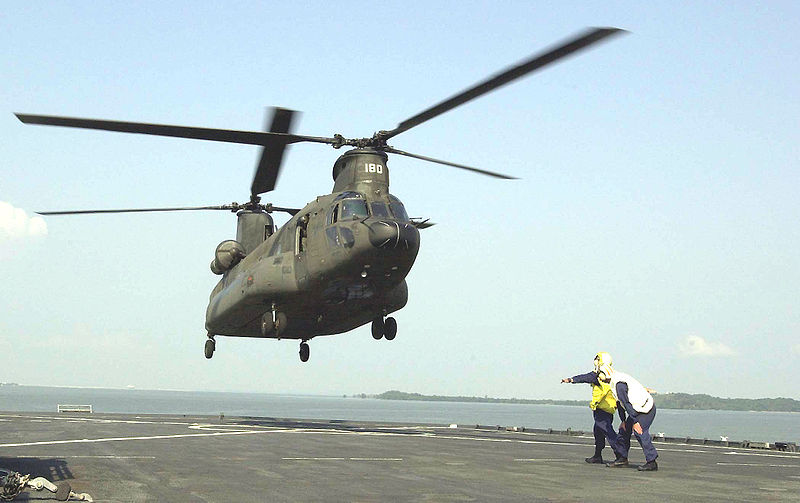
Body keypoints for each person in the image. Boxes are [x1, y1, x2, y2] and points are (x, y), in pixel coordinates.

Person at [560, 352, 620, 464]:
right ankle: (598, 455)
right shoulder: (613, 375)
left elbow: (585, 377)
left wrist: (571, 379)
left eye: (597, 359)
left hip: (602, 409)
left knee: (608, 431)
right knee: (598, 432)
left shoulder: (598, 375)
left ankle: (620, 455)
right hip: (608, 409)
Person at [597, 364, 659, 471]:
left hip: (646, 409)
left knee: (640, 432)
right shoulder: (615, 381)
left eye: (600, 375)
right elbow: (619, 402)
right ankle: (622, 459)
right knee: (623, 431)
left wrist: (635, 422)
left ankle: (652, 461)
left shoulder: (619, 384)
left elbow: (626, 403)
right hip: (636, 410)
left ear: (604, 375)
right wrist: (623, 421)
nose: (599, 378)